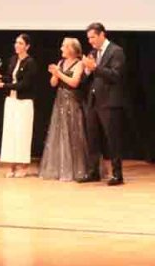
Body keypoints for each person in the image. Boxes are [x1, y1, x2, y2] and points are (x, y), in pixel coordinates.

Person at [38, 38, 90, 182]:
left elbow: (74, 83)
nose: (61, 48)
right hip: (60, 102)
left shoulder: (79, 64)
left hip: (73, 102)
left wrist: (59, 73)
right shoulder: (61, 63)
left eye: (64, 46)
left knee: (74, 134)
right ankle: (60, 168)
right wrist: (55, 74)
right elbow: (53, 83)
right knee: (60, 134)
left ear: (71, 49)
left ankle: (77, 169)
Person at [81, 22, 127, 185]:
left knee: (112, 139)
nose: (90, 41)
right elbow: (90, 77)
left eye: (93, 37)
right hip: (94, 100)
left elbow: (115, 75)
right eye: (89, 38)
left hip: (110, 101)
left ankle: (117, 174)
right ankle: (93, 172)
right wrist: (87, 70)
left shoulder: (116, 51)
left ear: (102, 35)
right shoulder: (94, 52)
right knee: (92, 138)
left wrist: (95, 67)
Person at [0, 33, 40, 177]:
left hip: (24, 102)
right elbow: (10, 77)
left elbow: (25, 84)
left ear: (27, 46)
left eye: (21, 43)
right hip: (11, 101)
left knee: (22, 133)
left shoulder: (31, 63)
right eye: (16, 43)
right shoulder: (13, 60)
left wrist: (3, 85)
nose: (17, 45)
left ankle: (23, 166)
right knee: (10, 133)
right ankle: (12, 166)